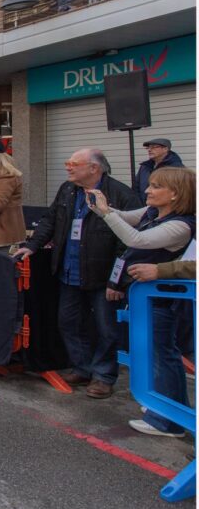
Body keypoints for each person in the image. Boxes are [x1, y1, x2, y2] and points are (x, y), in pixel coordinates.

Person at [13, 148, 141, 399]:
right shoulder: (68, 190)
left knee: (106, 328)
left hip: (102, 275)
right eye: (67, 162)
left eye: (74, 163)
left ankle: (103, 376)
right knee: (69, 322)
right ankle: (82, 367)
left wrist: (117, 281)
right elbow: (50, 220)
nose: (68, 167)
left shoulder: (122, 195)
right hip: (69, 271)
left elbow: (128, 245)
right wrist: (32, 245)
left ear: (94, 168)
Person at [87, 167, 195, 437]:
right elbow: (125, 218)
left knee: (161, 355)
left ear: (175, 194)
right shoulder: (153, 213)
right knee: (156, 353)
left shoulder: (181, 225)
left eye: (156, 186)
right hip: (147, 297)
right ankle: (165, 407)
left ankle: (167, 420)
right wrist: (101, 207)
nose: (147, 190)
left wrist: (107, 213)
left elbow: (136, 239)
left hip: (162, 300)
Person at [135, 138, 184, 204]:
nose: (149, 150)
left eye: (153, 147)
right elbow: (136, 187)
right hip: (144, 206)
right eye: (148, 148)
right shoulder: (145, 167)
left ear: (165, 149)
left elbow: (180, 191)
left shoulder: (176, 168)